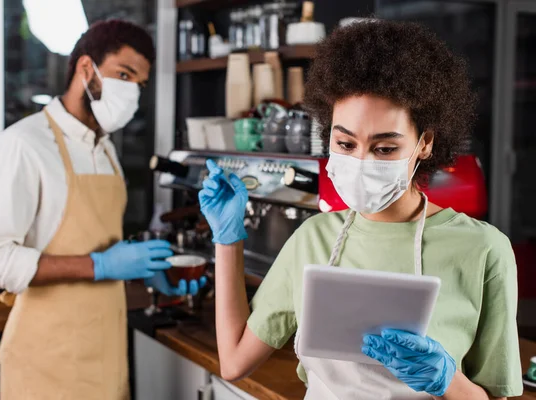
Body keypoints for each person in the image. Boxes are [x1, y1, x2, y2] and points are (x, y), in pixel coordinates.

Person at [199, 20, 523, 399]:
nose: (362, 162)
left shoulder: (484, 250)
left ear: (424, 143)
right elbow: (234, 362)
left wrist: (449, 380)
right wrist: (227, 239)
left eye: (384, 148)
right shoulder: (313, 237)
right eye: (345, 143)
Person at [0, 20, 204, 399]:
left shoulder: (106, 151)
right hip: (45, 365)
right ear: (85, 68)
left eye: (139, 85)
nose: (132, 93)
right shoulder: (22, 145)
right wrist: (101, 265)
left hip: (106, 356)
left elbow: (101, 243)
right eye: (123, 75)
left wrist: (145, 273)